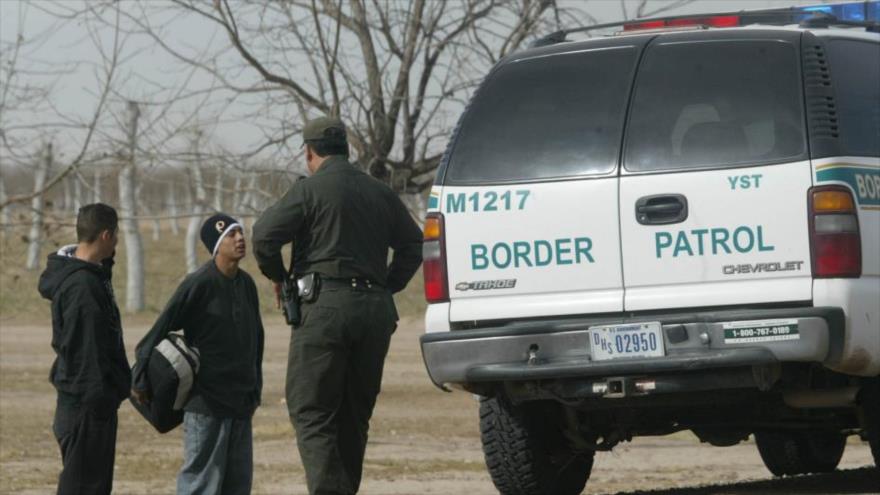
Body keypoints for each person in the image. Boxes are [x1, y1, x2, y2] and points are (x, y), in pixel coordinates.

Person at [252, 116, 423, 495]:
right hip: (375, 312)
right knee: (354, 413)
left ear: (309, 153)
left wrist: (279, 276)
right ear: (346, 148)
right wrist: (386, 286)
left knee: (311, 409)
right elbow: (414, 245)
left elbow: (263, 235)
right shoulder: (379, 192)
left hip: (325, 308)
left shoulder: (310, 190)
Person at [131, 214, 264, 495]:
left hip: (240, 404)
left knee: (237, 486)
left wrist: (256, 388)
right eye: (231, 234)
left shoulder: (247, 285)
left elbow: (257, 340)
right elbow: (159, 329)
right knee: (200, 486)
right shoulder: (199, 283)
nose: (240, 238)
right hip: (206, 405)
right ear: (216, 245)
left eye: (240, 232)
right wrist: (140, 376)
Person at [38, 203, 130, 495]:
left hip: (85, 405)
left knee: (92, 486)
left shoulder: (86, 274)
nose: (117, 241)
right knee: (82, 489)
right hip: (86, 407)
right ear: (105, 235)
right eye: (115, 235)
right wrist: (101, 401)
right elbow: (86, 353)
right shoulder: (83, 288)